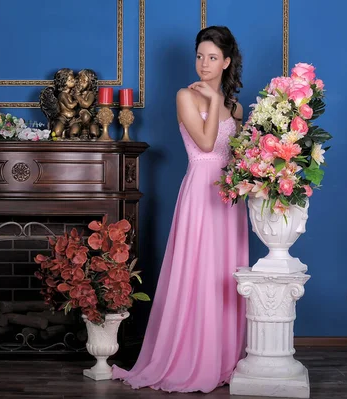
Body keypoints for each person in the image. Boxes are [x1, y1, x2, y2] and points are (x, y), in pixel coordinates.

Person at [112, 25, 248, 393]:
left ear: (226, 62)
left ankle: (224, 357)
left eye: (212, 58)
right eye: (200, 56)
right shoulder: (185, 97)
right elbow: (205, 146)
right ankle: (192, 357)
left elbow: (239, 155)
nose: (204, 64)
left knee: (225, 274)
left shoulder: (235, 106)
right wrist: (216, 104)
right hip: (200, 193)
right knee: (199, 272)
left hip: (229, 198)